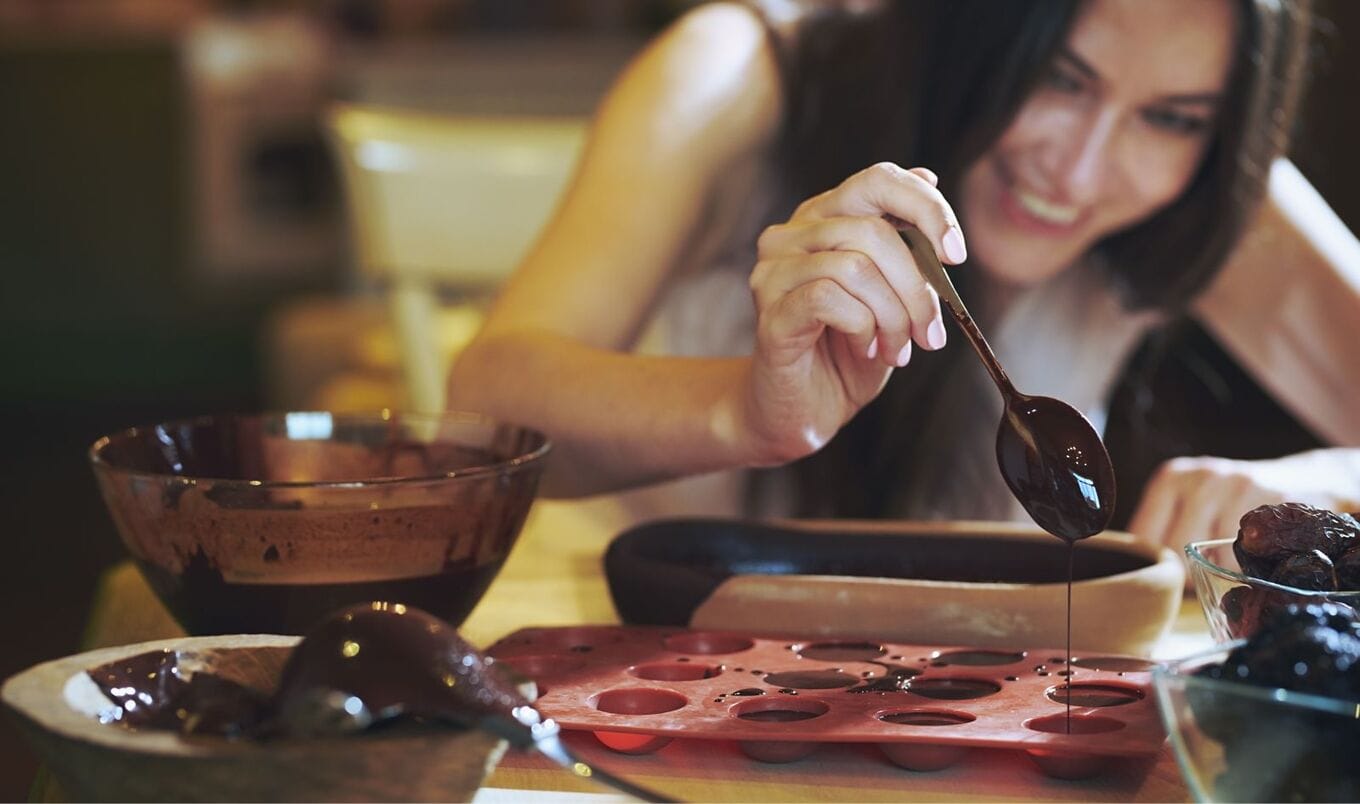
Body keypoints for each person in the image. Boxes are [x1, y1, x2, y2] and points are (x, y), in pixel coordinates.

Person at [447, 0, 1360, 555]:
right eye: (1058, 78)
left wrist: (1323, 490)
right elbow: (485, 417)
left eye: (1170, 117)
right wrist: (746, 411)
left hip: (961, 724)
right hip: (651, 696)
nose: (1078, 174)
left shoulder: (1203, 184)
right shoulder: (741, 73)